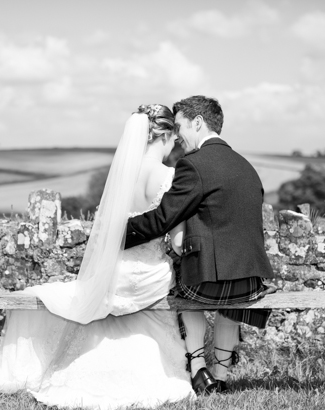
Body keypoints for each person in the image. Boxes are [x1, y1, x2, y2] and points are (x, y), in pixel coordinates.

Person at [0, 104, 195, 409]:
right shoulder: (170, 177)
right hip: (149, 278)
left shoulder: (121, 177)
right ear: (166, 134)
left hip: (112, 275)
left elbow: (107, 231)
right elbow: (179, 241)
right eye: (173, 138)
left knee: (81, 301)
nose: (174, 145)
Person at [125, 95, 276, 394]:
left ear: (197, 122)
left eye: (180, 126)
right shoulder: (246, 166)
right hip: (251, 283)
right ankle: (220, 375)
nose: (178, 135)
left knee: (179, 279)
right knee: (229, 301)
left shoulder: (193, 165)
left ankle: (197, 367)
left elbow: (162, 219)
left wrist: (120, 234)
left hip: (206, 285)